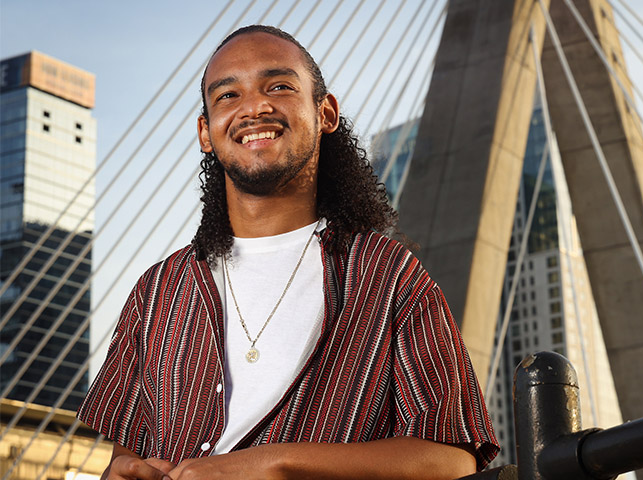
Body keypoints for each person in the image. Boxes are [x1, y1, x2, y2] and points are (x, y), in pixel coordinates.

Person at [77, 25, 498, 479]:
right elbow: (126, 455)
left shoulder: (386, 274)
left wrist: (275, 463)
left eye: (279, 86)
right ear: (206, 132)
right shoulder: (158, 291)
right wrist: (123, 470)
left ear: (326, 113)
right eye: (227, 96)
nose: (254, 107)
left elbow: (453, 459)